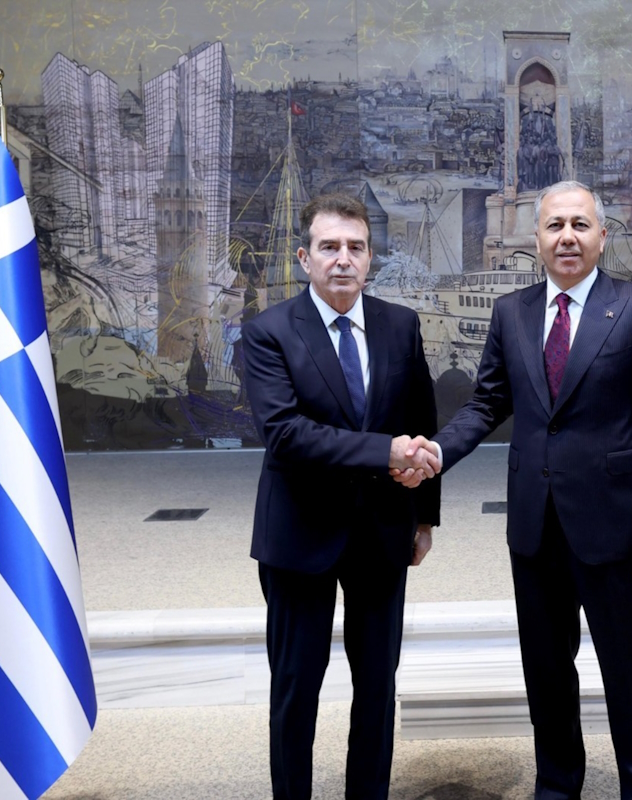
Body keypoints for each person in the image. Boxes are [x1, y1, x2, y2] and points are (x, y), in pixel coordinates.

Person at [400, 180, 632, 799]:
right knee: (547, 673)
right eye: (555, 225)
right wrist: (438, 453)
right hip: (534, 529)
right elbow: (487, 403)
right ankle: (557, 788)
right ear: (536, 238)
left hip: (618, 530)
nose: (567, 237)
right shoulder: (513, 312)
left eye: (580, 225)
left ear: (602, 236)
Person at [242, 193, 441, 799]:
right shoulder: (269, 332)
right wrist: (385, 452)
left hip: (383, 531)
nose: (343, 259)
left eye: (356, 247)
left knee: (378, 687)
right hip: (299, 536)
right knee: (296, 688)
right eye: (329, 247)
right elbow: (285, 434)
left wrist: (425, 519)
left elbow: (421, 422)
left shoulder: (400, 325)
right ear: (305, 258)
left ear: (370, 257)